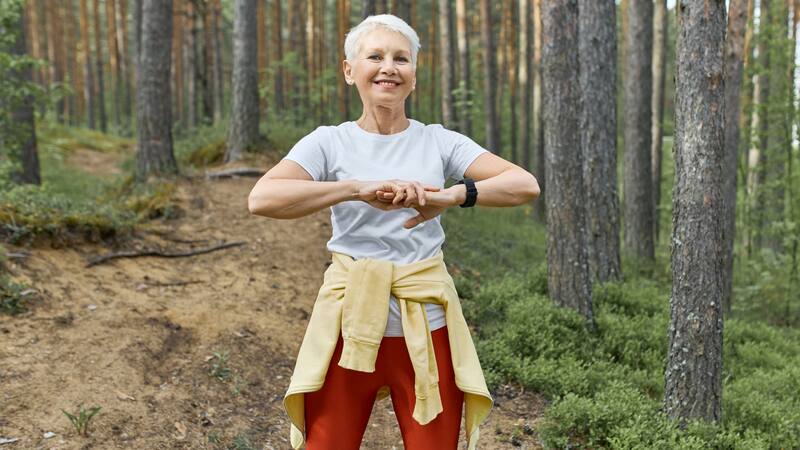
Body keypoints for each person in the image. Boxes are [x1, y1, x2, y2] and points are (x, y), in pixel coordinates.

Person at [248, 14, 540, 450]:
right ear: (350, 71)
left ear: (413, 76)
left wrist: (450, 196)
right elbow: (262, 198)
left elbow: (524, 184)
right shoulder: (329, 142)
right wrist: (352, 189)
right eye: (375, 56)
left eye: (401, 58)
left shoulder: (439, 141)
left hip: (426, 324)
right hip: (348, 323)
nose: (389, 67)